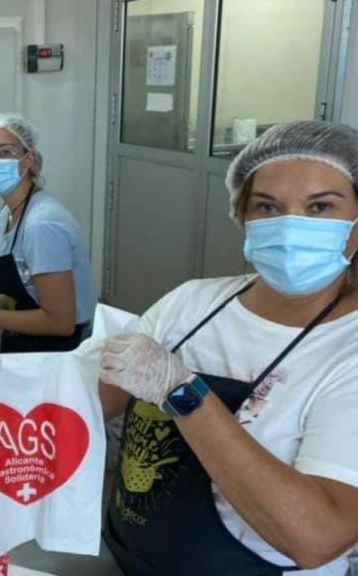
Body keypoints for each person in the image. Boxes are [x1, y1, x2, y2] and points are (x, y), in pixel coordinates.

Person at [98, 121, 358, 575]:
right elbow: (95, 397)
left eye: (320, 206)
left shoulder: (348, 349)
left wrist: (182, 391)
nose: (290, 225)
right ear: (243, 215)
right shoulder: (193, 302)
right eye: (267, 206)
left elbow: (318, 536)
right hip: (127, 556)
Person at [0, 113, 96, 353]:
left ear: (28, 160)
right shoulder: (8, 214)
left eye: (5, 152)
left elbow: (60, 322)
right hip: (27, 340)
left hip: (60, 350)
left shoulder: (42, 225)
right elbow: (28, 291)